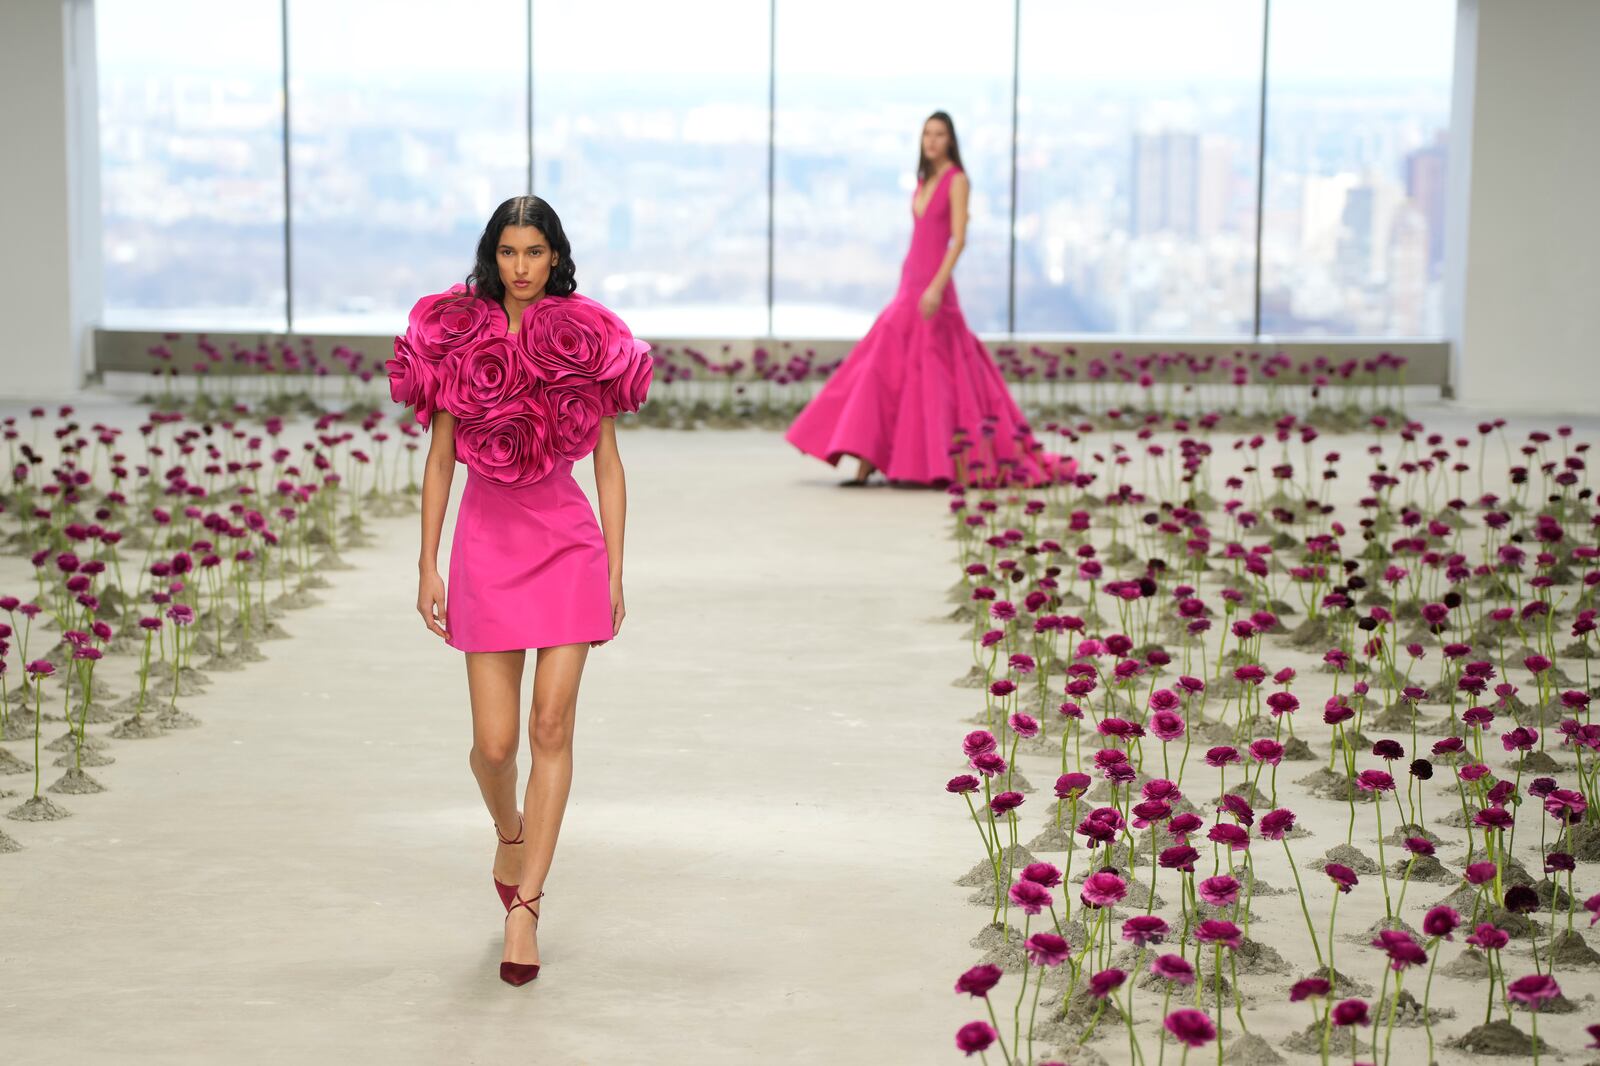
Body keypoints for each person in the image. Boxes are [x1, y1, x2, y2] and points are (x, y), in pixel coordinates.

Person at [387, 195, 653, 987]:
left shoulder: (584, 336)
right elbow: (440, 460)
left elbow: (606, 459)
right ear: (491, 256)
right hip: (487, 546)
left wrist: (614, 566)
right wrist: (427, 562)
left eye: (534, 251)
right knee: (495, 746)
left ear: (555, 256)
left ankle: (526, 908)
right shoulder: (456, 334)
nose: (522, 266)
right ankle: (508, 828)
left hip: (568, 544)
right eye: (508, 252)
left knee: (550, 725)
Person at [784, 111, 1067, 488]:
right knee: (883, 370)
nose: (931, 141)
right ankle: (868, 461)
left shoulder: (957, 180)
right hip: (909, 284)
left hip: (934, 287)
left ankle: (934, 463)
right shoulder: (924, 180)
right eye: (926, 134)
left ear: (951, 140)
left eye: (939, 134)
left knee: (936, 378)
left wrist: (936, 285)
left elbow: (959, 238)